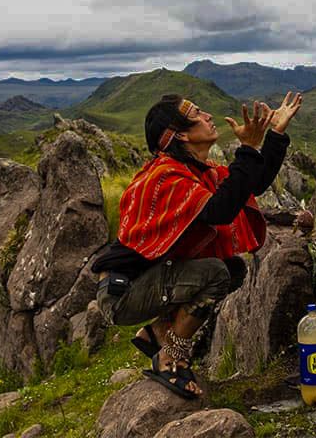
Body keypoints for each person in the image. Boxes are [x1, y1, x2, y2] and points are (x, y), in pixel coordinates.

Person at [93, 91, 302, 398]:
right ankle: (169, 357)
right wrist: (247, 148)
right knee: (214, 273)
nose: (207, 116)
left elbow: (251, 184)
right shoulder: (166, 177)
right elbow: (220, 211)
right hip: (122, 293)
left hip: (150, 279)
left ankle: (157, 332)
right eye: (197, 114)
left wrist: (276, 134)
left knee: (232, 269)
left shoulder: (198, 173)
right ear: (180, 134)